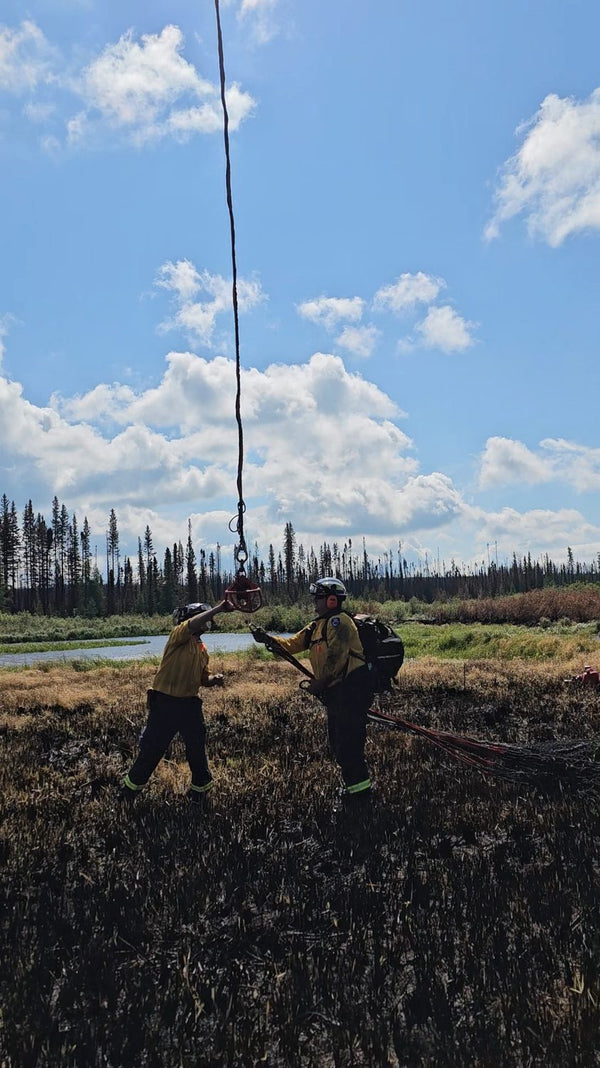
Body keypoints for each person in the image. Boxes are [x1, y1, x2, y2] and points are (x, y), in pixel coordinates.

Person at [253, 577, 376, 809]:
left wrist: (319, 684)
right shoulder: (316, 626)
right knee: (339, 744)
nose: (314, 603)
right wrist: (267, 639)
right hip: (336, 694)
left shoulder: (341, 622)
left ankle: (361, 797)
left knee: (349, 745)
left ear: (332, 600)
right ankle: (354, 790)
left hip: (350, 692)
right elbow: (291, 645)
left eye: (318, 598)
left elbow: (336, 659)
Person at [120, 600, 235, 807]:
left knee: (197, 750)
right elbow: (192, 625)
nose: (208, 622)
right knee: (152, 751)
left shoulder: (201, 648)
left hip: (189, 705)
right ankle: (127, 794)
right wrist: (218, 609)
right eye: (204, 617)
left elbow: (203, 678)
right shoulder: (178, 635)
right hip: (165, 704)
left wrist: (214, 680)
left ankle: (200, 792)